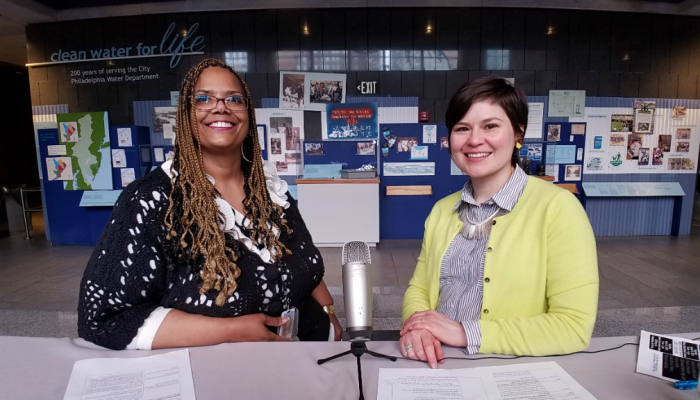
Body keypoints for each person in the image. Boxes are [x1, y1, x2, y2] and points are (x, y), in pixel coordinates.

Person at [78, 58, 342, 350]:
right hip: (222, 377)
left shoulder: (270, 188)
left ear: (248, 113)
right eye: (204, 98)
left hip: (311, 356)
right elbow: (104, 319)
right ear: (185, 113)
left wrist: (329, 313)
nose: (221, 107)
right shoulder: (151, 200)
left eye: (234, 99)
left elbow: (296, 259)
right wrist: (230, 330)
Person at [400, 76, 598, 368]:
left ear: (518, 133)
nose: (474, 140)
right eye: (462, 128)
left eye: (490, 126)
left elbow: (572, 326)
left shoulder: (558, 208)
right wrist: (417, 328)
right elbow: (418, 290)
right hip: (438, 364)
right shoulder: (443, 210)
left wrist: (465, 332)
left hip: (510, 368)